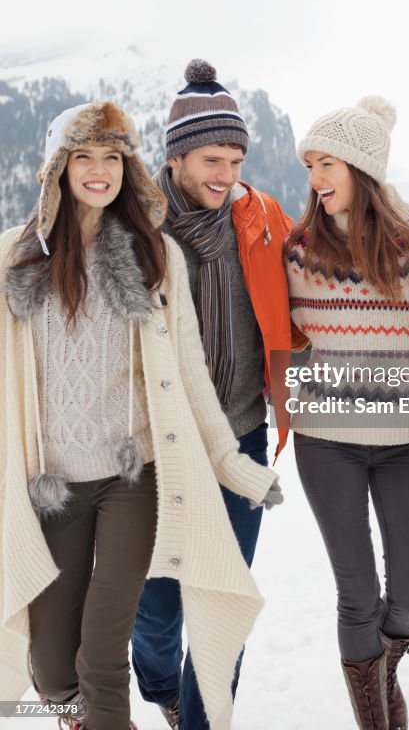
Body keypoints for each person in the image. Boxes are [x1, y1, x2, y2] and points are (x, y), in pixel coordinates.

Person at [0, 101, 281, 730]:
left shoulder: (157, 258)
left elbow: (187, 375)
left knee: (105, 651)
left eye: (114, 158)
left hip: (133, 476)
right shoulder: (12, 262)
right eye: (85, 157)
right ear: (57, 168)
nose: (100, 171)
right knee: (50, 663)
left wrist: (231, 462)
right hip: (51, 483)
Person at [131, 60, 295, 730]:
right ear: (176, 158)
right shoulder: (132, 227)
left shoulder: (260, 218)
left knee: (224, 606)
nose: (226, 177)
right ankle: (161, 686)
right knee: (158, 612)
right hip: (155, 451)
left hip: (241, 437)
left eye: (235, 159)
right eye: (211, 160)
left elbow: (323, 281)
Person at [284, 95, 409, 730]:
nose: (315, 179)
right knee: (357, 596)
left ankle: (386, 663)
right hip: (327, 440)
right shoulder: (299, 249)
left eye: (327, 163)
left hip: (408, 436)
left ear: (364, 167)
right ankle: (378, 718)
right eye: (309, 166)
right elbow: (275, 323)